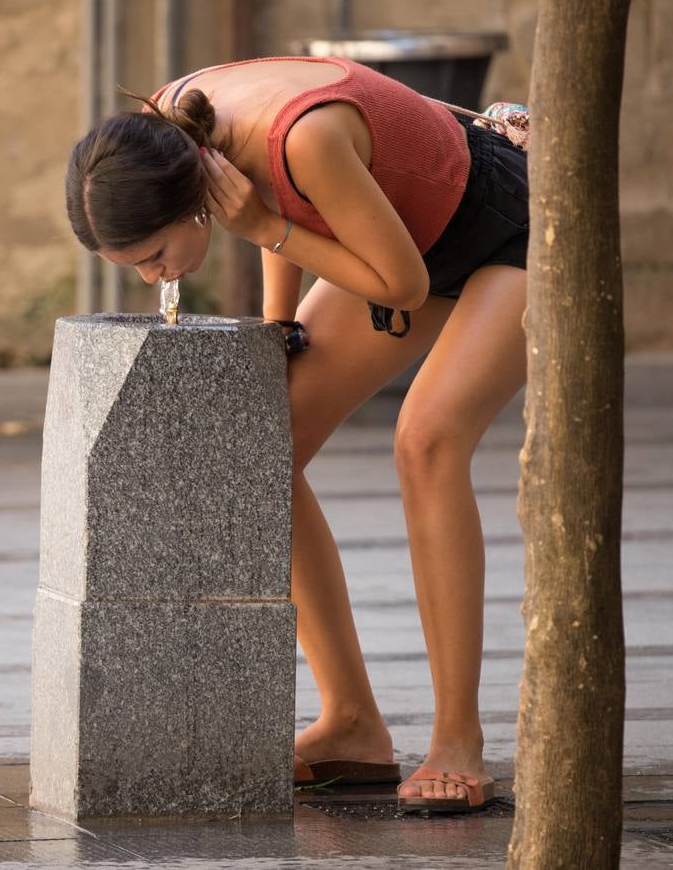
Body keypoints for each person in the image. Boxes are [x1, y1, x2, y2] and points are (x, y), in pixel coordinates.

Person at [63, 55, 530, 814]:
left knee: (427, 442)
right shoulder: (170, 128)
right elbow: (273, 208)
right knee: (260, 447)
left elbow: (397, 283)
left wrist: (264, 228)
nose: (154, 279)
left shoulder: (303, 139)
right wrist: (280, 327)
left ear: (189, 206)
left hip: (509, 223)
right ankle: (351, 723)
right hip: (401, 230)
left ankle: (457, 741)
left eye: (153, 259)